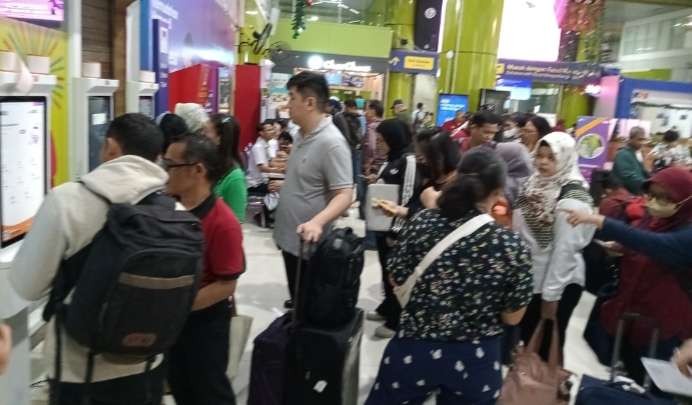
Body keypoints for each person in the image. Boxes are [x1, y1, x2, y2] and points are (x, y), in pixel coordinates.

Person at [9, 113, 169, 404]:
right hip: (147, 365)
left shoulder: (66, 201)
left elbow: (27, 286)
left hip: (79, 371)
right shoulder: (174, 211)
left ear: (110, 147)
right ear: (156, 156)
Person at [365, 148, 533, 405]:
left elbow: (395, 279)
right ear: (498, 192)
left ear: (456, 178)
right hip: (476, 359)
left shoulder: (422, 223)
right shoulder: (510, 245)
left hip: (414, 348)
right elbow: (513, 317)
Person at [563, 166, 692, 384]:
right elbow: (642, 242)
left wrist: (601, 221)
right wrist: (624, 248)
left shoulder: (687, 231)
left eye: (664, 197)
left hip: (666, 327)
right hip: (633, 315)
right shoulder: (654, 220)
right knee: (631, 377)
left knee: (659, 386)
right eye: (652, 195)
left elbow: (658, 245)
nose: (654, 202)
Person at [164, 134, 244, 405]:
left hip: (204, 325)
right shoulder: (168, 208)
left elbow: (226, 284)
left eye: (171, 165)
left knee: (209, 391)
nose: (165, 172)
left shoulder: (223, 222)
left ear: (198, 170)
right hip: (174, 323)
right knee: (181, 386)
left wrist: (179, 307)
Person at [273, 71, 353, 309]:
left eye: (291, 98)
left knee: (309, 309)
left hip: (310, 244)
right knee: (298, 300)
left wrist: (317, 222)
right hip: (290, 236)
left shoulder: (332, 143)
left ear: (309, 103)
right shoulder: (300, 135)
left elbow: (345, 194)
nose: (287, 105)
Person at [513, 132, 596, 358]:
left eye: (551, 158)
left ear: (566, 158)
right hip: (533, 277)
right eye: (540, 155)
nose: (542, 162)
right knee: (530, 342)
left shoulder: (572, 196)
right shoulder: (534, 183)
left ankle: (544, 393)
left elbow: (565, 250)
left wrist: (551, 295)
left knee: (545, 349)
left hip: (556, 283)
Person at [366, 119, 423, 339]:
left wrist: (397, 231)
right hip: (382, 224)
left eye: (381, 140)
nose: (378, 144)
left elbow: (408, 196)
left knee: (395, 274)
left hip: (394, 228)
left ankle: (396, 318)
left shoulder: (408, 160)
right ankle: (386, 306)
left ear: (393, 139)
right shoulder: (391, 160)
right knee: (384, 269)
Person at [208, 113, 247, 222]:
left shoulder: (235, 177)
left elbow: (236, 220)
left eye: (206, 132)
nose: (202, 136)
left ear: (219, 138)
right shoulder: (207, 164)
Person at [415, 129, 461, 209]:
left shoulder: (458, 184)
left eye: (427, 154)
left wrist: (430, 205)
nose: (422, 159)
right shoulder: (428, 177)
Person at [246, 120, 283, 196]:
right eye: (269, 130)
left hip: (263, 181)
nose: (273, 131)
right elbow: (262, 168)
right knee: (280, 189)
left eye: (273, 129)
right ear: (261, 133)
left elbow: (270, 162)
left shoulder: (266, 144)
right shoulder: (258, 147)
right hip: (255, 184)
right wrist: (280, 170)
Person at [613, 126, 650, 195]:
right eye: (639, 140)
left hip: (636, 192)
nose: (642, 143)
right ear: (630, 139)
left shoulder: (634, 153)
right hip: (627, 195)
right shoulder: (623, 154)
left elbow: (643, 171)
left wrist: (652, 181)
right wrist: (647, 185)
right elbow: (628, 177)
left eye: (643, 140)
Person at [363, 99, 387, 177]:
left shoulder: (372, 127)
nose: (365, 113)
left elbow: (372, 147)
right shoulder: (386, 124)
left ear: (373, 111)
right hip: (385, 164)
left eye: (367, 110)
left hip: (374, 166)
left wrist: (368, 165)